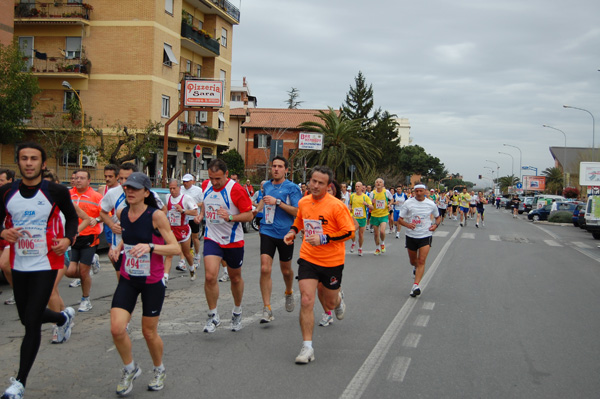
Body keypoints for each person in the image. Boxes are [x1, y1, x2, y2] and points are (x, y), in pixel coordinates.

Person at [0, 143, 78, 399]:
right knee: (26, 317)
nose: (29, 163)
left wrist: (68, 240)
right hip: (19, 262)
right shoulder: (5, 192)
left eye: (34, 159)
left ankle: (19, 383)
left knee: (31, 322)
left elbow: (72, 219)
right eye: (24, 158)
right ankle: (62, 317)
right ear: (18, 163)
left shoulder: (56, 191)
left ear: (43, 164)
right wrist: (3, 232)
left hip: (47, 262)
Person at [108, 172, 180, 395]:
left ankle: (159, 369)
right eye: (127, 187)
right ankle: (130, 368)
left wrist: (150, 247)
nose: (129, 191)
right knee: (117, 328)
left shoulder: (156, 216)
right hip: (128, 278)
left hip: (152, 280)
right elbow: (128, 236)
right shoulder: (122, 212)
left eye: (135, 188)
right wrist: (118, 247)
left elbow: (175, 248)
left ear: (146, 193)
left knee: (148, 333)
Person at [283, 166, 354, 364]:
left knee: (329, 303)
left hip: (332, 261)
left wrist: (325, 238)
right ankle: (307, 347)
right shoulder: (304, 201)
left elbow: (349, 232)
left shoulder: (336, 206)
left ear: (328, 185)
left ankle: (338, 300)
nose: (315, 185)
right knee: (306, 300)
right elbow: (299, 220)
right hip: (308, 257)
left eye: (320, 183)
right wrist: (292, 232)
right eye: (313, 181)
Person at [197, 159, 253, 333]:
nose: (214, 182)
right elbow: (205, 203)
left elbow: (249, 215)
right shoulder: (206, 185)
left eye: (218, 179)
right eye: (211, 178)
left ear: (226, 175)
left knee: (235, 278)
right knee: (209, 276)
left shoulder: (236, 190)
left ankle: (237, 311)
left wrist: (230, 217)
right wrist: (201, 215)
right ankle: (213, 315)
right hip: (212, 238)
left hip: (233, 240)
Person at [253, 156, 302, 324]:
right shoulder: (266, 185)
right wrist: (255, 210)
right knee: (265, 268)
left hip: (286, 233)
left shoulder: (292, 188)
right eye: (274, 166)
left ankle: (289, 291)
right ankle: (267, 308)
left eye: (280, 166)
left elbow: (297, 212)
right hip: (267, 230)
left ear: (286, 170)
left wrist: (278, 202)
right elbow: (263, 201)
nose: (276, 169)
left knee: (286, 271)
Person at [65, 169, 102, 312]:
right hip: (73, 237)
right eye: (76, 178)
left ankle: (85, 299)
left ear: (89, 181)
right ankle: (94, 261)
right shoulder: (68, 195)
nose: (78, 180)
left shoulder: (96, 196)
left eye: (82, 178)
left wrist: (97, 219)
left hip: (89, 237)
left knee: (83, 272)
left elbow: (106, 213)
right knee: (69, 272)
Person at [398, 183, 441, 298]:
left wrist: (435, 225)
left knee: (421, 261)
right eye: (417, 191)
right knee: (413, 261)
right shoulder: (408, 203)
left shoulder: (431, 204)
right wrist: (408, 225)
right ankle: (414, 268)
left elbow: (438, 217)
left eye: (421, 191)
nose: (419, 193)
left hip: (425, 235)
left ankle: (415, 286)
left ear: (425, 191)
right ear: (414, 192)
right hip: (411, 236)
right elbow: (400, 219)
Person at [164, 178, 198, 282]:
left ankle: (192, 267)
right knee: (169, 255)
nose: (172, 190)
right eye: (170, 188)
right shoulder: (167, 197)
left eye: (174, 188)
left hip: (183, 230)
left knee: (186, 253)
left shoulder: (186, 198)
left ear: (179, 188)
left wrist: (183, 210)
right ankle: (165, 277)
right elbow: (165, 209)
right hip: (172, 230)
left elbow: (195, 212)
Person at [180, 174, 203, 270]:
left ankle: (197, 256)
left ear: (192, 181)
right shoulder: (180, 189)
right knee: (183, 239)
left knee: (195, 237)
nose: (185, 183)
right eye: (184, 181)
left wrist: (193, 204)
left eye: (187, 181)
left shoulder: (198, 190)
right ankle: (182, 261)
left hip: (193, 217)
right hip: (183, 217)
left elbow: (203, 202)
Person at [0, 169, 16, 305]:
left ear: (10, 181)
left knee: (5, 265)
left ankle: (18, 291)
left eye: (1, 180)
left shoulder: (14, 194)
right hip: (2, 232)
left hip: (11, 235)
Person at [348, 182, 373, 256]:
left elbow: (372, 207)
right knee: (352, 232)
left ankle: (360, 248)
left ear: (362, 187)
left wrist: (367, 205)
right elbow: (350, 204)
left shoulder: (365, 197)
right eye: (356, 186)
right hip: (354, 217)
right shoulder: (352, 196)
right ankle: (353, 242)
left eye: (358, 186)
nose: (357, 187)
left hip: (362, 218)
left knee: (361, 235)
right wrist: (350, 208)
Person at [370, 178, 393, 255]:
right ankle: (377, 248)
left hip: (384, 214)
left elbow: (392, 199)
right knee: (376, 234)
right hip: (374, 215)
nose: (378, 183)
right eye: (377, 182)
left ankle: (382, 243)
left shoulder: (386, 192)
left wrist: (389, 204)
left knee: (382, 231)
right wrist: (372, 204)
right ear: (375, 184)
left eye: (380, 182)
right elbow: (370, 205)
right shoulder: (372, 193)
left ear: (383, 184)